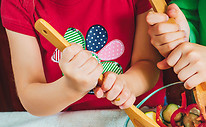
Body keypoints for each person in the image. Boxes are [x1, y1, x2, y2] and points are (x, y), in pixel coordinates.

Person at [1, 0, 164, 116]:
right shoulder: (18, 3)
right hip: (69, 123)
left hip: (141, 113)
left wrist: (125, 85)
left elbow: (148, 63)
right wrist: (71, 88)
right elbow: (31, 97)